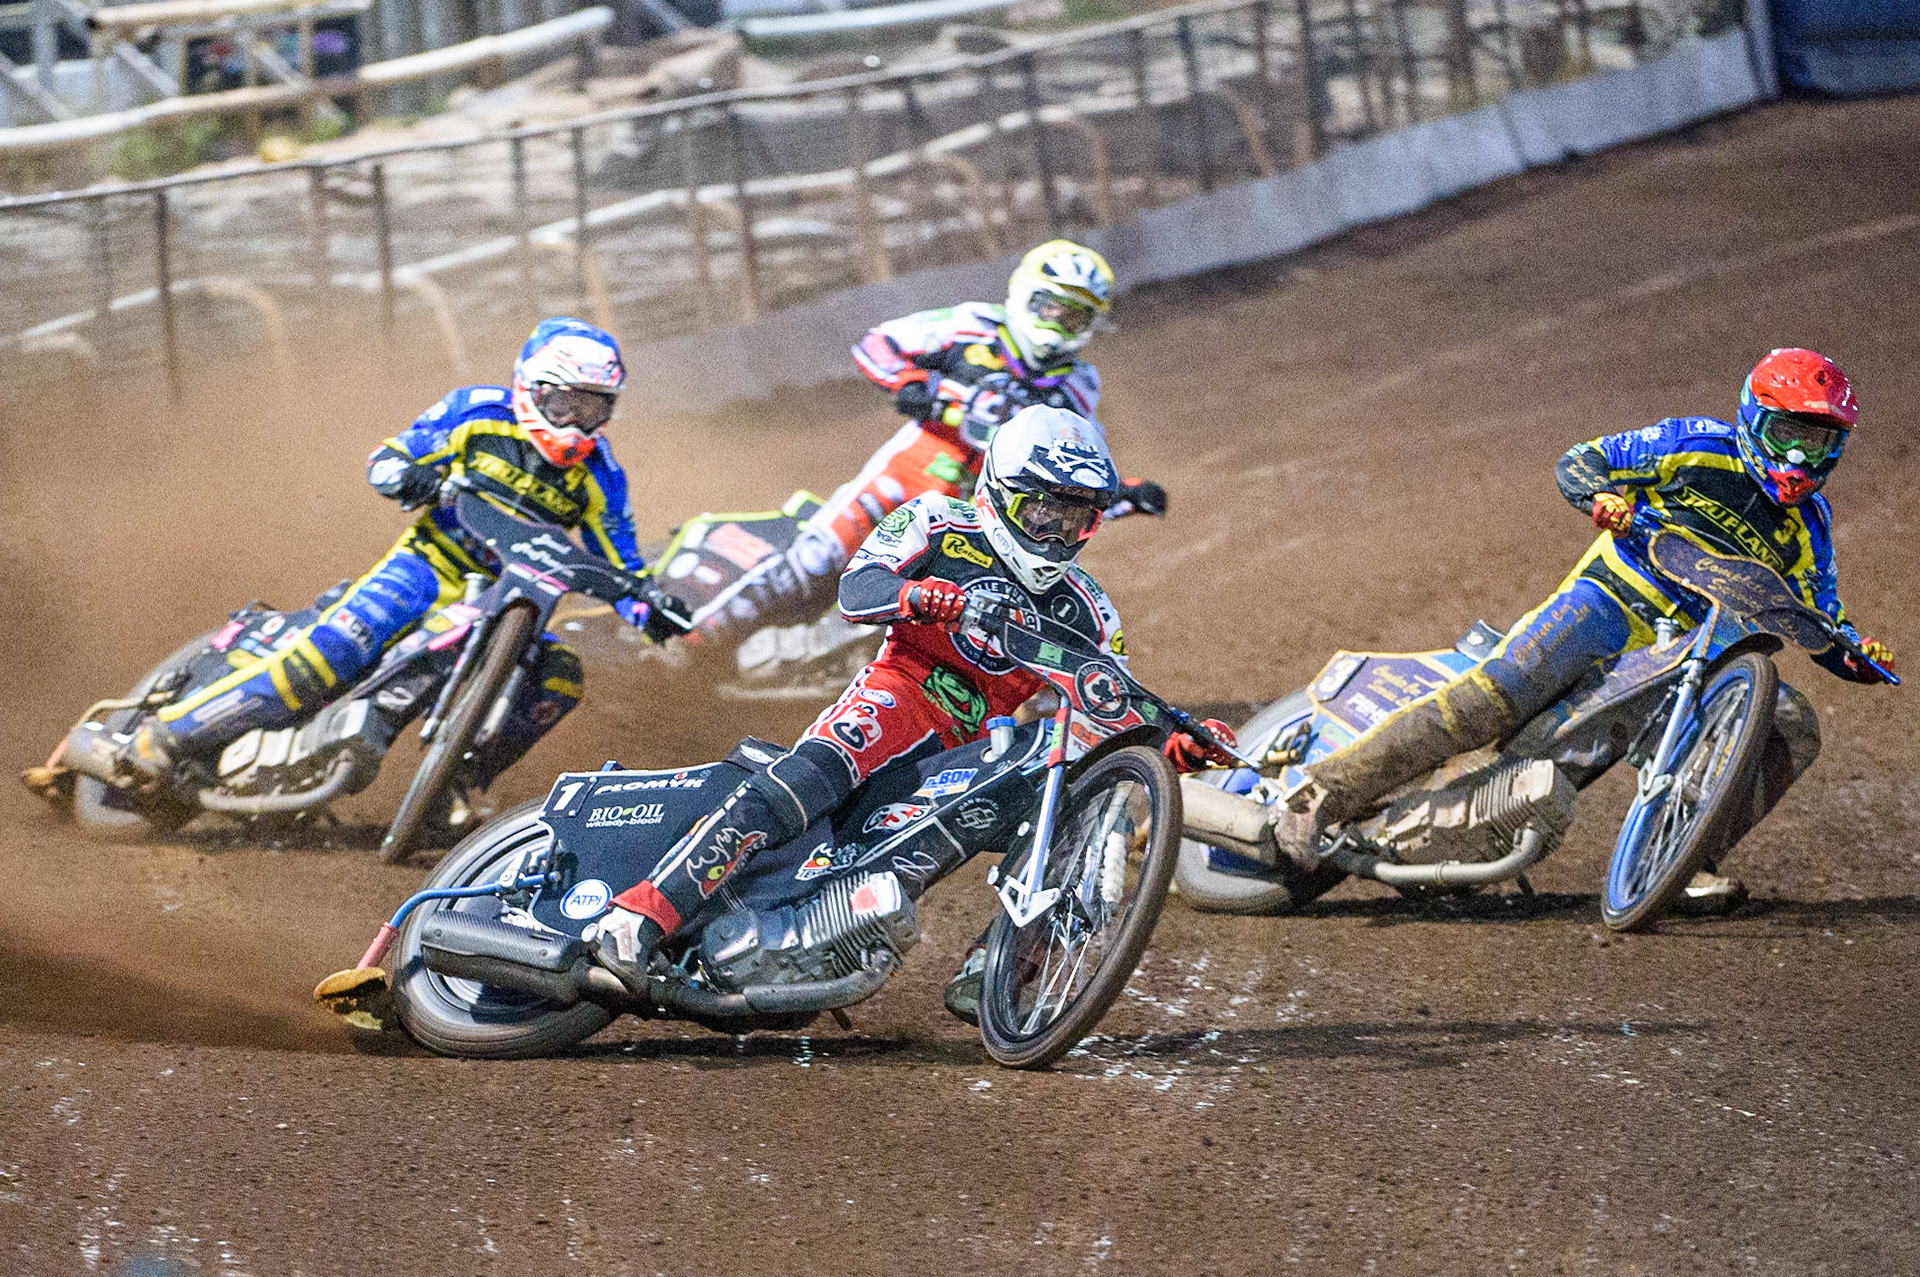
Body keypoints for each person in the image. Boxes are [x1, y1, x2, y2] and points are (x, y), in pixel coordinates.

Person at [586, 405, 1233, 998]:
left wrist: (1174, 743)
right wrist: (930, 598)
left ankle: (997, 970)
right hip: (898, 692)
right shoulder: (936, 520)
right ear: (1003, 493)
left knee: (1094, 814)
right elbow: (857, 587)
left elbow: (1110, 704)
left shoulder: (1088, 610)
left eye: (1076, 517)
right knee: (809, 777)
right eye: (1044, 512)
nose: (1058, 533)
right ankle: (641, 911)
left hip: (980, 750)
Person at [1272, 348, 1896, 899]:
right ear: (1753, 418)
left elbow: (1821, 618)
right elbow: (1583, 460)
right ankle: (1321, 794)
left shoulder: (1810, 526)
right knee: (1496, 697)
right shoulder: (1696, 444)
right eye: (1788, 431)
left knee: (1791, 725)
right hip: (1608, 600)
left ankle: (1682, 860)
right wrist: (1602, 496)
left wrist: (1856, 654)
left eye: (1817, 441)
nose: (1798, 453)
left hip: (1680, 656)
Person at [117, 318, 685, 800]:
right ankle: (163, 737)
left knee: (560, 678)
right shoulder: (477, 411)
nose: (575, 423)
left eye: (592, 409)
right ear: (532, 389)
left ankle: (454, 790)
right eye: (564, 404)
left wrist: (654, 613)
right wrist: (412, 477)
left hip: (513, 599)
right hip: (425, 566)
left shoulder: (602, 476)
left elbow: (625, 569)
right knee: (329, 654)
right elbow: (387, 459)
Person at [795, 240, 1165, 580]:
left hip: (993, 503)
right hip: (916, 465)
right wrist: (910, 383)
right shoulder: (974, 325)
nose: (1057, 321)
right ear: (1025, 295)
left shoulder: (1079, 384)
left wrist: (1122, 492)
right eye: (1050, 306)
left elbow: (1078, 458)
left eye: (1073, 316)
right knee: (813, 560)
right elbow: (880, 343)